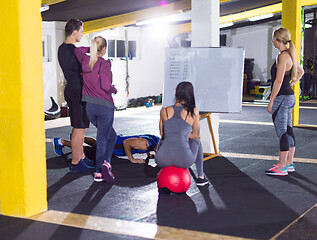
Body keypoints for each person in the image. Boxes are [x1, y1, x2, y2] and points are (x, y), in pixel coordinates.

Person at [74, 36, 117, 183]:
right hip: (105, 106)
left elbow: (78, 50)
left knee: (111, 136)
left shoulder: (85, 60)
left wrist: (90, 49)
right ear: (104, 49)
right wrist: (114, 89)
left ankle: (107, 163)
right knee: (103, 138)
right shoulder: (104, 64)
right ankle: (99, 171)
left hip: (90, 107)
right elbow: (106, 86)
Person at [265, 27, 304, 176]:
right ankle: (288, 164)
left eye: (274, 39)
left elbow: (279, 81)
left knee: (282, 133)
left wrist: (271, 101)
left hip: (282, 99)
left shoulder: (282, 57)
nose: (272, 41)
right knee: (288, 131)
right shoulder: (290, 55)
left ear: (278, 40)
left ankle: (282, 167)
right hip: (290, 97)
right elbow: (301, 72)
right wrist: (291, 84)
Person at [155, 81, 209, 186]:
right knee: (197, 141)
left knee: (164, 140)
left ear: (176, 94)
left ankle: (163, 173)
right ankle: (200, 177)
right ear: (190, 95)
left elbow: (163, 134)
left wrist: (177, 133)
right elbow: (196, 135)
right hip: (184, 161)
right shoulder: (193, 111)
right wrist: (183, 134)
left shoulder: (164, 110)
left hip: (162, 159)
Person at [57, 19, 93, 173]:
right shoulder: (74, 51)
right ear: (75, 32)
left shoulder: (61, 49)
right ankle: (76, 161)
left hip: (71, 89)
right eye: (81, 31)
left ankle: (81, 156)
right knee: (80, 128)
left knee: (78, 127)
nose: (82, 34)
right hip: (78, 90)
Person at [53, 134, 160, 163]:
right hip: (110, 146)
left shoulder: (156, 139)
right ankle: (60, 141)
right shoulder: (146, 144)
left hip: (111, 139)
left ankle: (77, 136)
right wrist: (132, 159)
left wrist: (148, 153)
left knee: (95, 142)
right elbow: (126, 143)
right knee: (86, 151)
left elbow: (147, 145)